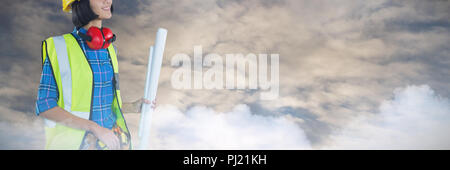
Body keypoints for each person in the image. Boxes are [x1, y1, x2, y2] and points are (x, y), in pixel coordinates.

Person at [35, 0, 155, 150]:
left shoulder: (110, 50)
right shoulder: (59, 48)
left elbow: (99, 104)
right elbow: (45, 106)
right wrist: (94, 127)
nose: (108, 1)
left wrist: (132, 107)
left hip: (110, 142)